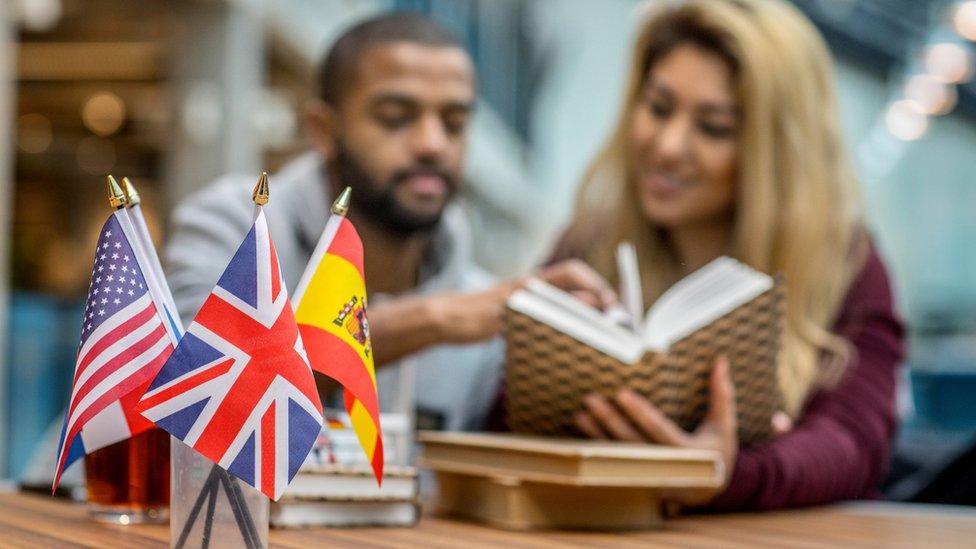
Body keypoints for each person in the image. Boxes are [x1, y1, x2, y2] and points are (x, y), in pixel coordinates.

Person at [498, 0, 905, 510]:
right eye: (658, 108)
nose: (668, 145)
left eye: (713, 128)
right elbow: (502, 413)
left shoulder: (844, 264)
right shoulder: (589, 243)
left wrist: (726, 473)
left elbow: (855, 444)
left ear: (773, 151)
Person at [164, 13, 613, 433]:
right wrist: (431, 320)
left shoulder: (481, 313)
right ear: (322, 129)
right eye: (396, 118)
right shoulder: (234, 226)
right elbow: (198, 396)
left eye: (454, 123)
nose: (433, 144)